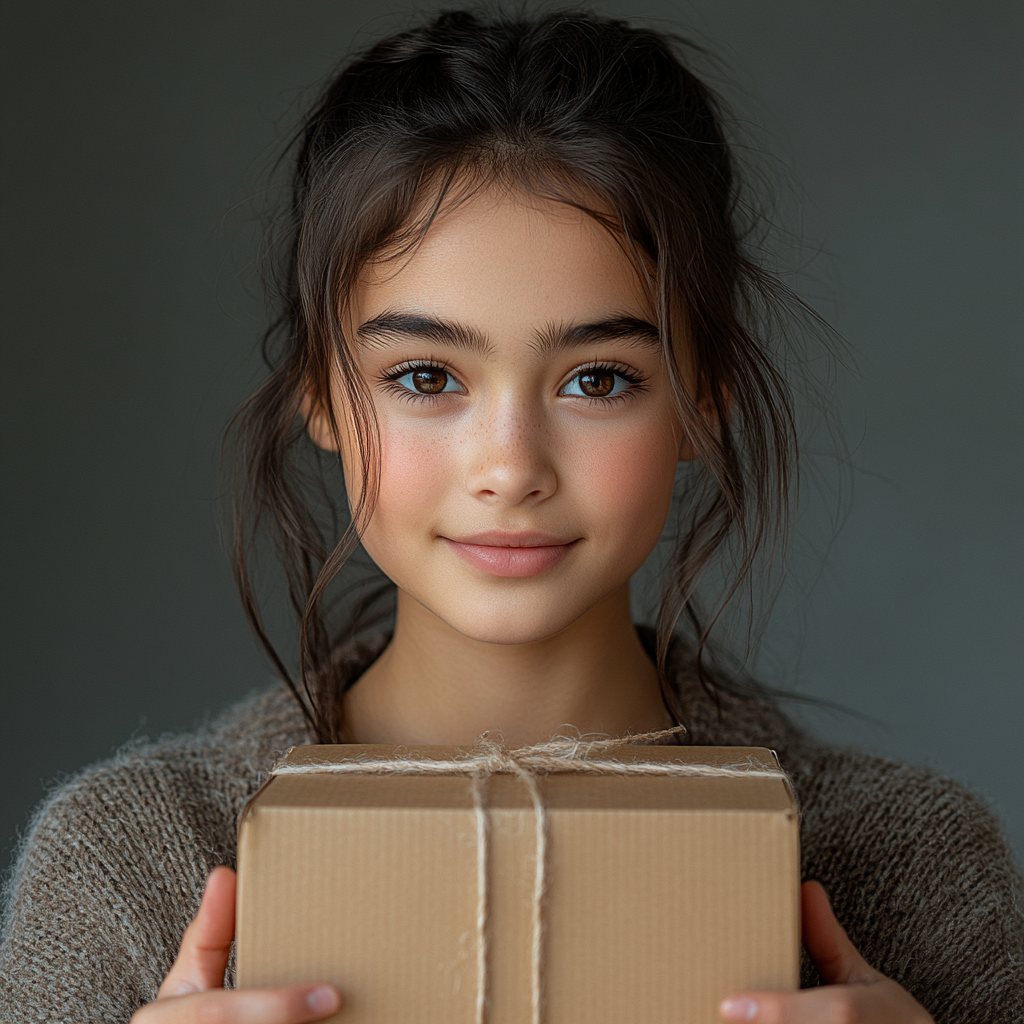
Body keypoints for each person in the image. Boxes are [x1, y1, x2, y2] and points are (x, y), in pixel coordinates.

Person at [1, 9, 1020, 1024]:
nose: (509, 467)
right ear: (317, 391)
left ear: (703, 400)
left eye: (596, 379)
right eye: (426, 375)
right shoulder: (130, 867)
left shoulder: (904, 868)